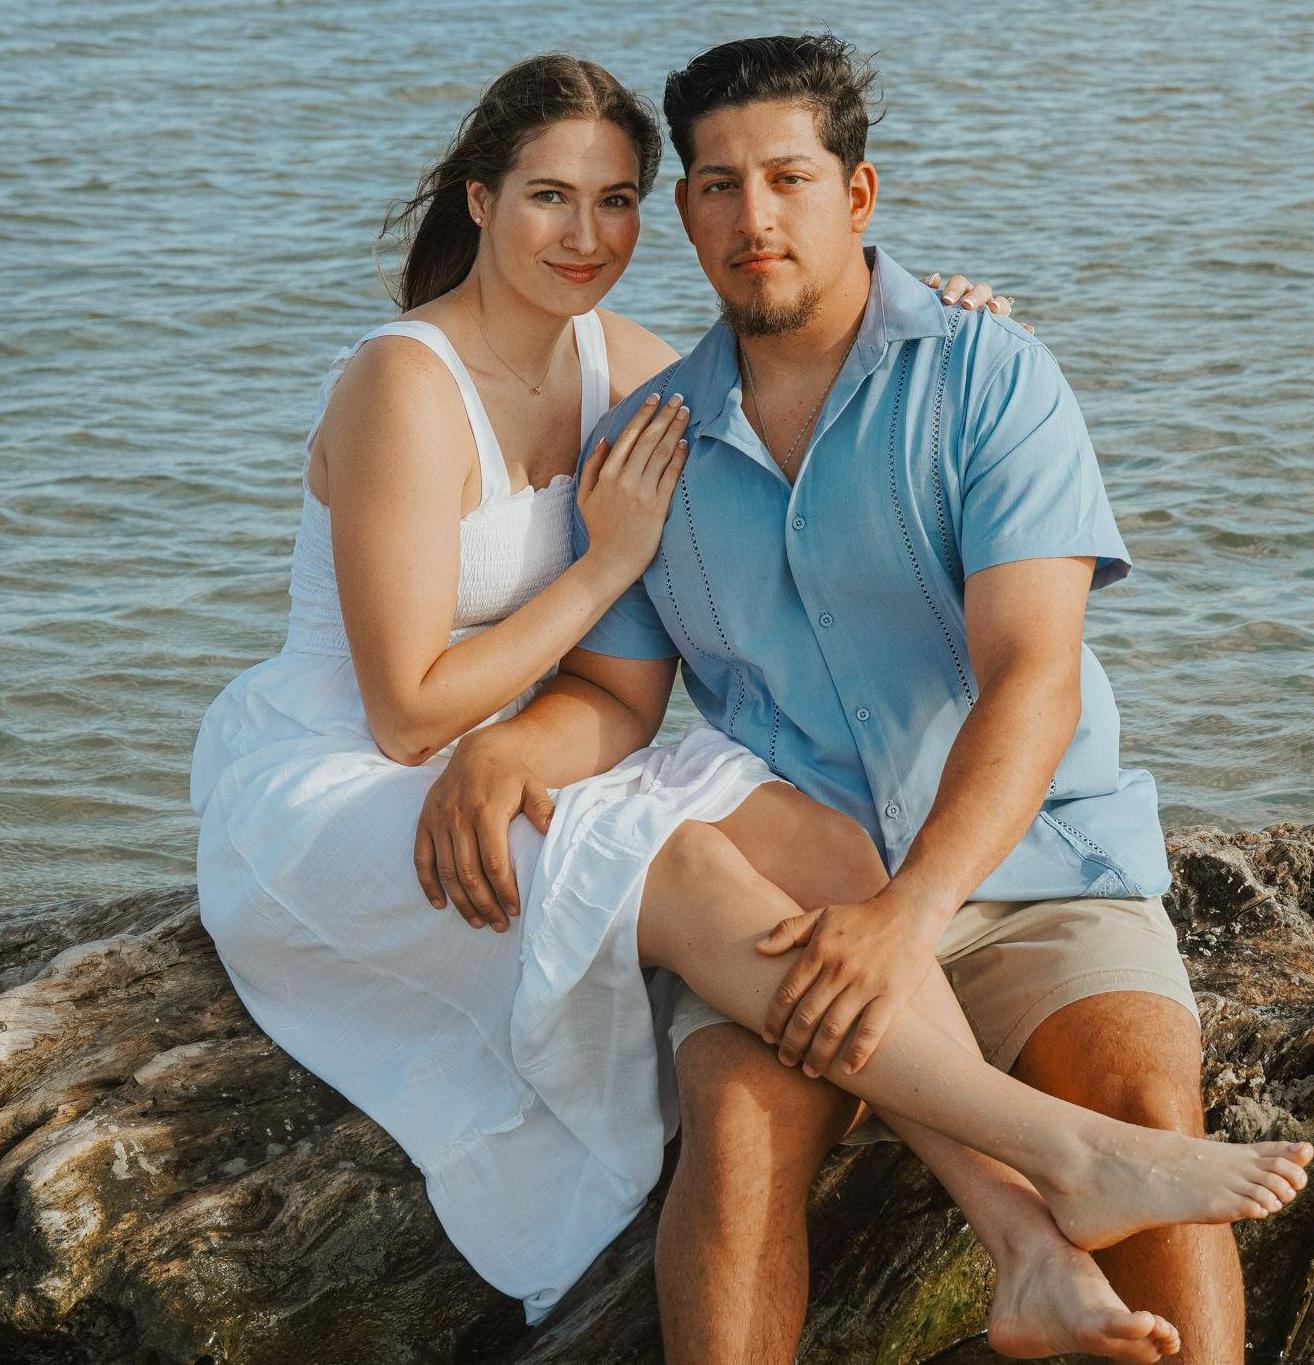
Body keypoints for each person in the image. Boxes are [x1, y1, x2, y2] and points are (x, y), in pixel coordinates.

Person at [416, 34, 1313, 1365]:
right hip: (787, 893)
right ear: (685, 214)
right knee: (735, 1137)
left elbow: (1032, 674)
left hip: (1030, 864)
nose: (753, 216)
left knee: (1138, 1097)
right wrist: (503, 755)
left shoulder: (987, 374)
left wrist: (909, 915)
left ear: (857, 194)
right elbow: (613, 695)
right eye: (718, 185)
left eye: (788, 178)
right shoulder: (648, 441)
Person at [188, 51, 1019, 1336]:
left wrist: (953, 328)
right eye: (549, 197)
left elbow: (802, 369)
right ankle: (1047, 1160)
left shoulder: (619, 364)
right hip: (342, 776)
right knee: (680, 870)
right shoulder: (402, 382)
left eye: (617, 201)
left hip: (517, 743)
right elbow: (406, 709)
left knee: (826, 851)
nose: (586, 237)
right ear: (479, 200)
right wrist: (606, 564)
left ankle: (1021, 1238)